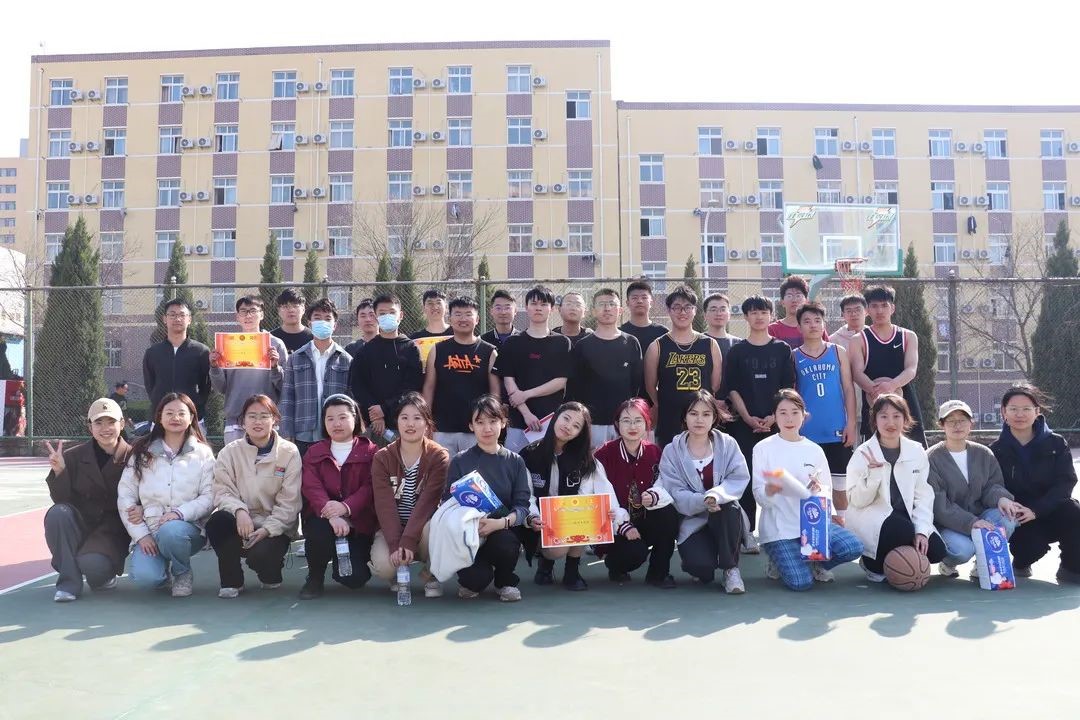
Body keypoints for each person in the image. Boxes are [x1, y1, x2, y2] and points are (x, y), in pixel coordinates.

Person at [752, 390, 864, 591]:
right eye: (783, 413)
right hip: (780, 529)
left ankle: (816, 563)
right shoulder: (762, 448)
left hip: (813, 525)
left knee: (852, 547)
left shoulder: (814, 450)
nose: (789, 419)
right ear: (774, 416)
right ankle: (777, 561)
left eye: (795, 412)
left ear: (804, 415)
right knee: (800, 582)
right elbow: (760, 496)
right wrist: (770, 490)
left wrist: (818, 491)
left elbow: (826, 489)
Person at [116, 393, 215, 597]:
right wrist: (142, 535)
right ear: (159, 417)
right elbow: (125, 494)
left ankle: (182, 572)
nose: (175, 418)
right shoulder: (142, 452)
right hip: (150, 528)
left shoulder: (203, 454)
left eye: (181, 413)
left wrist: (180, 513)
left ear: (191, 418)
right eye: (169, 413)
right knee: (146, 578)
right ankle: (162, 574)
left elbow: (209, 496)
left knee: (171, 532)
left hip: (187, 530)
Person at [520, 402, 623, 591]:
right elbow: (525, 495)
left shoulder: (585, 460)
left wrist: (610, 512)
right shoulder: (529, 454)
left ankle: (572, 570)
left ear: (580, 433)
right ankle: (545, 563)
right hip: (538, 522)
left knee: (584, 514)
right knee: (556, 549)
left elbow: (601, 491)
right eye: (566, 418)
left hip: (570, 521)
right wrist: (533, 517)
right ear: (555, 418)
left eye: (576, 426)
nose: (568, 427)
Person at [207, 394, 302, 598]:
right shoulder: (229, 452)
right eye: (252, 416)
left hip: (274, 526)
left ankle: (271, 572)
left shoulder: (289, 452)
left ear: (275, 420)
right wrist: (239, 511)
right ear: (243, 421)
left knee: (261, 558)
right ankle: (231, 581)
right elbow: (222, 491)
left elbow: (290, 501)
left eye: (264, 416)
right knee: (217, 522)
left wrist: (268, 529)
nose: (258, 422)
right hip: (241, 522)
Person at [845, 394, 946, 583]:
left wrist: (922, 531)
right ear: (874, 420)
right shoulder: (863, 453)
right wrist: (873, 475)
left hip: (906, 516)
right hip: (874, 516)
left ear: (905, 419)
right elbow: (857, 501)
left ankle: (898, 560)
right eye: (883, 416)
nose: (890, 422)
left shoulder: (916, 451)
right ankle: (871, 562)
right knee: (902, 530)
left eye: (896, 416)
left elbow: (923, 495)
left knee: (936, 551)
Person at [657, 390, 750, 594]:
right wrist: (702, 501)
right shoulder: (671, 451)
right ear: (684, 416)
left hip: (724, 516)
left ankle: (731, 569)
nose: (699, 419)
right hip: (692, 520)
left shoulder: (728, 444)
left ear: (714, 417)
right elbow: (674, 490)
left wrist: (716, 495)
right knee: (702, 571)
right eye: (693, 413)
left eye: (706, 414)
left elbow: (738, 478)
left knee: (730, 505)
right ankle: (698, 560)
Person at [443, 395, 532, 601]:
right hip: (467, 533)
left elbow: (522, 506)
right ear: (471, 426)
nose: (487, 428)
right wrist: (470, 522)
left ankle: (505, 580)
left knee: (507, 542)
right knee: (474, 582)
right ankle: (475, 573)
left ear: (503, 422)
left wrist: (501, 523)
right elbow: (448, 501)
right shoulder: (459, 461)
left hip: (502, 530)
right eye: (480, 422)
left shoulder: (515, 461)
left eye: (493, 421)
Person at [723, 295, 796, 543]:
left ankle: (780, 531)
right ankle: (747, 533)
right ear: (745, 317)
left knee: (777, 476)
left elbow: (787, 388)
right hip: (744, 426)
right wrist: (747, 417)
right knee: (746, 477)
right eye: (753, 312)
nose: (759, 317)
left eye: (763, 312)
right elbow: (732, 389)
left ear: (771, 315)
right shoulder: (737, 351)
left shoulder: (782, 349)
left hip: (776, 426)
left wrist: (774, 417)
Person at [44, 398, 132, 602]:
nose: (105, 428)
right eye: (98, 423)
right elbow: (61, 499)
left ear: (122, 424)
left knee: (92, 565)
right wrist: (60, 472)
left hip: (111, 531)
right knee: (58, 514)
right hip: (80, 523)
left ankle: (103, 577)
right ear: (90, 427)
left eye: (111, 422)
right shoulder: (72, 456)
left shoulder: (134, 456)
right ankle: (68, 584)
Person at [990, 385, 1080, 583]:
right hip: (1019, 517)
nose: (1020, 414)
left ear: (1037, 411)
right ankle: (1021, 563)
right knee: (1029, 548)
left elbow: (1066, 482)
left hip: (1050, 508)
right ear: (1004, 412)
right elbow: (994, 487)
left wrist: (1037, 510)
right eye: (1013, 409)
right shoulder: (995, 450)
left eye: (1026, 408)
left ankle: (1071, 568)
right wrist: (1018, 510)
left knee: (1074, 512)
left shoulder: (1056, 444)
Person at [928, 399, 1025, 579]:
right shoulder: (931, 458)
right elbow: (939, 504)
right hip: (948, 523)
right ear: (941, 425)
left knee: (1007, 517)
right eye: (951, 421)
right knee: (962, 551)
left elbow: (992, 485)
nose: (957, 425)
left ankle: (983, 563)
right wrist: (971, 522)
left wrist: (1001, 498)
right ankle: (948, 562)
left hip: (982, 514)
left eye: (962, 420)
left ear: (971, 423)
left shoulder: (984, 453)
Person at [298, 394, 379, 599]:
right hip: (323, 518)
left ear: (355, 418)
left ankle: (340, 558)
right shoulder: (314, 452)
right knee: (318, 531)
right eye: (330, 418)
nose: (336, 424)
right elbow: (311, 486)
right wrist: (332, 513)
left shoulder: (371, 451)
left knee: (355, 579)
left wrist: (346, 507)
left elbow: (371, 486)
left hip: (357, 523)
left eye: (342, 417)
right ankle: (314, 578)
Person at [370, 392, 450, 598]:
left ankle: (432, 575)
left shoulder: (438, 456)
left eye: (417, 418)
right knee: (384, 566)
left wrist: (408, 540)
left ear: (427, 424)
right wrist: (395, 544)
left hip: (424, 528)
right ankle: (396, 574)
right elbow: (384, 505)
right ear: (396, 422)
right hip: (392, 527)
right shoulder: (382, 457)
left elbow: (427, 503)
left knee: (438, 529)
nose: (410, 424)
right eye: (404, 417)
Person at [594, 398, 679, 588]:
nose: (632, 426)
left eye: (638, 420)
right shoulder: (603, 454)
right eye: (626, 421)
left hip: (645, 519)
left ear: (647, 423)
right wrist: (622, 525)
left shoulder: (655, 452)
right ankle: (615, 566)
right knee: (634, 553)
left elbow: (665, 484)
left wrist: (655, 496)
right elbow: (599, 495)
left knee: (668, 515)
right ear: (617, 424)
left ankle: (659, 573)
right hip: (615, 526)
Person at [793, 301, 857, 513]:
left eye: (817, 320)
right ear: (799, 326)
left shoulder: (837, 351)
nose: (813, 325)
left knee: (840, 487)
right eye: (807, 321)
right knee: (811, 487)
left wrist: (851, 423)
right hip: (808, 432)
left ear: (824, 324)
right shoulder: (793, 356)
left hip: (837, 430)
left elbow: (848, 389)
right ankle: (814, 528)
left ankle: (843, 526)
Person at [492, 285, 572, 452]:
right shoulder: (513, 342)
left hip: (551, 421)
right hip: (518, 421)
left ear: (552, 309)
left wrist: (526, 394)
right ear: (526, 308)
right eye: (534, 304)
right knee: (516, 464)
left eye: (543, 304)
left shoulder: (562, 342)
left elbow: (560, 381)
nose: (538, 308)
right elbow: (508, 380)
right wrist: (526, 414)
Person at [643, 284, 722, 448]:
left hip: (701, 419)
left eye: (687, 307)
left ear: (695, 310)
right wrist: (665, 403)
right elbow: (650, 386)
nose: (682, 312)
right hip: (670, 419)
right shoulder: (657, 346)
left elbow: (715, 384)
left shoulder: (710, 344)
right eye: (677, 307)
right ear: (669, 310)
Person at [848, 285, 925, 445]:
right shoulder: (858, 340)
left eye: (884, 305)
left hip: (904, 399)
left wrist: (892, 386)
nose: (880, 310)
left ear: (892, 308)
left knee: (914, 450)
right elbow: (857, 373)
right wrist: (876, 391)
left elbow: (911, 369)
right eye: (874, 306)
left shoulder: (908, 336)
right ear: (867, 310)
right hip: (873, 403)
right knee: (874, 452)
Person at [422, 296, 499, 456]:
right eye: (458, 314)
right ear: (450, 319)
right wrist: (426, 421)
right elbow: (429, 388)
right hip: (442, 429)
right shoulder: (437, 350)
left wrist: (491, 424)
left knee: (476, 472)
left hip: (477, 429)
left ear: (477, 319)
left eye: (468, 314)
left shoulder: (489, 352)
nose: (463, 319)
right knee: (443, 471)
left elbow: (495, 393)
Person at [568, 288, 643, 448]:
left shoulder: (631, 343)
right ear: (593, 311)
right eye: (601, 304)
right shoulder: (583, 345)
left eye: (611, 304)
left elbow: (637, 383)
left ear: (620, 310)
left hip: (624, 421)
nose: (607, 308)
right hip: (592, 423)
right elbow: (575, 386)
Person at [280, 297, 353, 458]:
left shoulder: (346, 360)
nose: (322, 322)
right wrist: (286, 431)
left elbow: (351, 399)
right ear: (310, 323)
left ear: (335, 325)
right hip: (302, 433)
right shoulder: (295, 358)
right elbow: (287, 397)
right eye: (317, 318)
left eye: (327, 319)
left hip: (335, 433)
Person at [210, 295, 288, 444]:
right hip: (235, 419)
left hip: (267, 418)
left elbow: (285, 385)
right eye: (243, 311)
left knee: (268, 458)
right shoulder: (227, 344)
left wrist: (274, 367)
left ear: (262, 314)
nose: (248, 315)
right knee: (235, 459)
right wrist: (214, 367)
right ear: (237, 316)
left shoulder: (275, 344)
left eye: (253, 310)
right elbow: (220, 387)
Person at [350, 294, 424, 442]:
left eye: (392, 312)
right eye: (382, 313)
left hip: (403, 422)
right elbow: (358, 386)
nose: (387, 316)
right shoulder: (365, 351)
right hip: (373, 425)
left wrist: (384, 409)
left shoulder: (411, 348)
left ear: (400, 315)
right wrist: (375, 413)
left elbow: (412, 386)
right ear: (376, 317)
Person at [142, 298, 211, 421]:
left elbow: (206, 385)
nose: (177, 319)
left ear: (189, 319)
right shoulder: (152, 352)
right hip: (160, 417)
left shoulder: (201, 351)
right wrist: (157, 401)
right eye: (172, 315)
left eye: (182, 315)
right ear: (165, 319)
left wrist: (197, 404)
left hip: (191, 417)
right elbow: (149, 384)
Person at [768, 275, 829, 349]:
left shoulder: (816, 327)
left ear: (806, 300)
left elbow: (827, 350)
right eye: (789, 296)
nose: (794, 300)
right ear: (782, 302)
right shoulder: (773, 329)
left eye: (798, 295)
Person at [619, 279, 668, 355]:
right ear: (627, 303)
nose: (640, 301)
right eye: (634, 298)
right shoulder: (620, 333)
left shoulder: (663, 333)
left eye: (644, 297)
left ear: (651, 303)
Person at [271, 287, 313, 355]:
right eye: (285, 306)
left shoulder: (313, 338)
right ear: (278, 311)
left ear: (303, 309)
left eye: (295, 306)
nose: (291, 310)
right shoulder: (271, 338)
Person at [703, 293, 743, 363]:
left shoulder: (739, 344)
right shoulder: (698, 342)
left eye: (723, 309)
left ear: (729, 315)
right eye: (713, 310)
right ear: (705, 315)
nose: (719, 313)